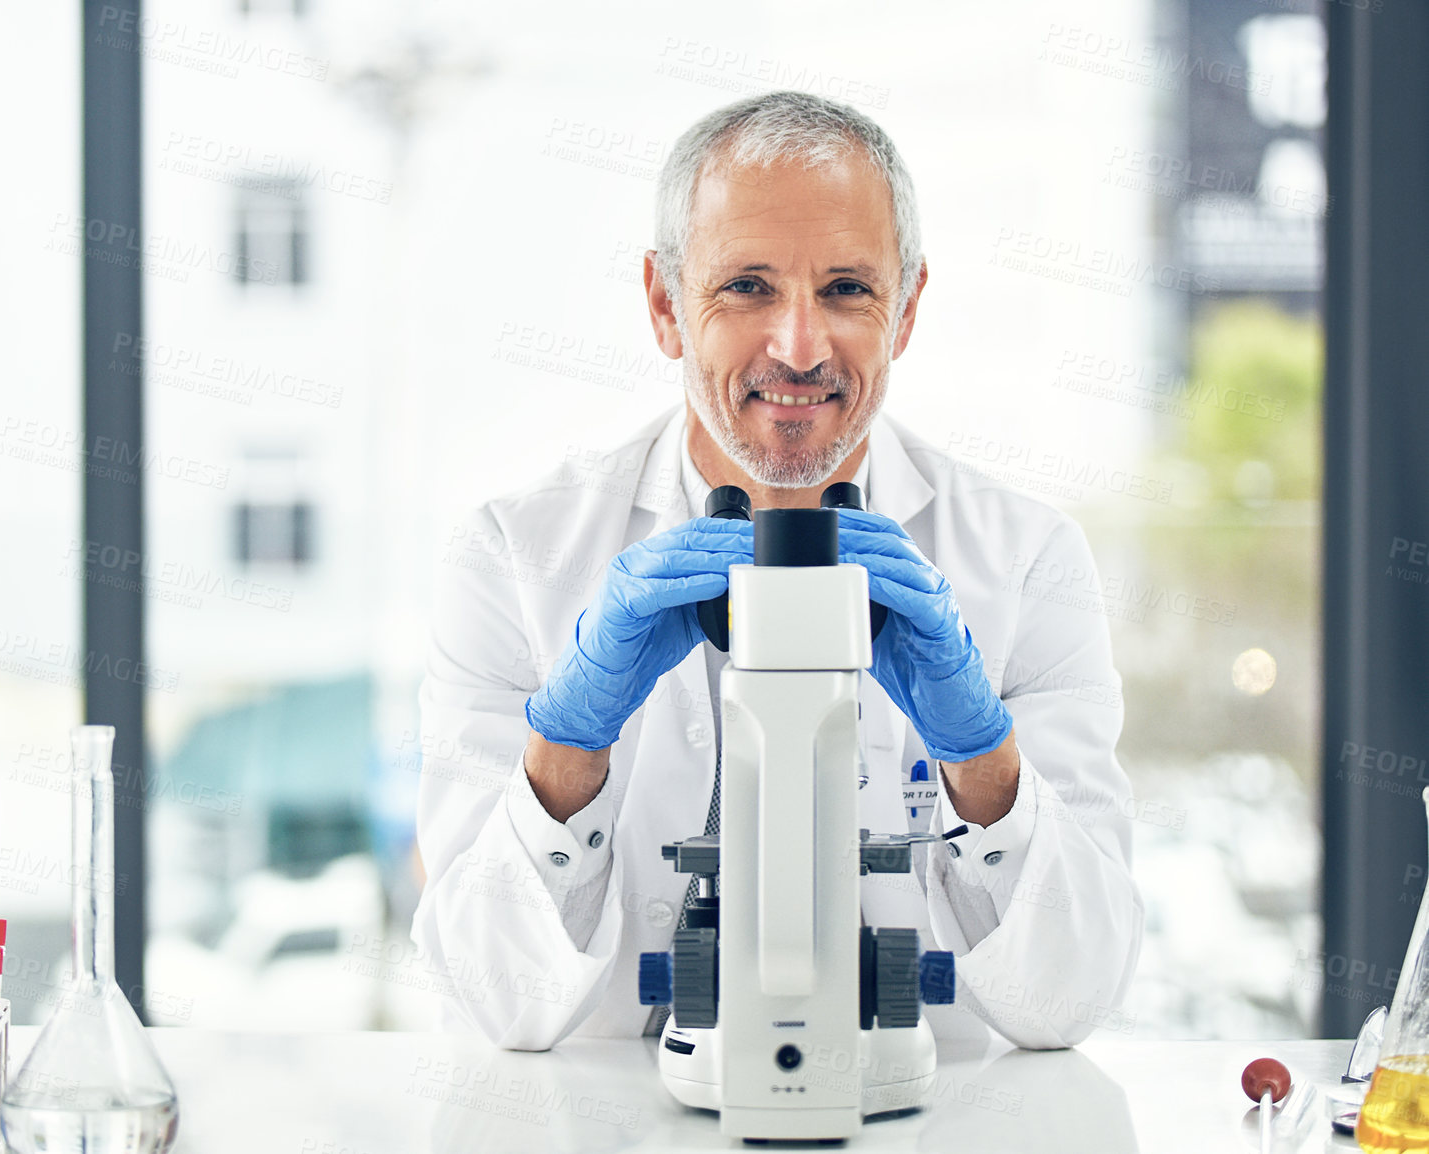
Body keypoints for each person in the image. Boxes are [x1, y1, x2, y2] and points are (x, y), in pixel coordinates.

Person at [410, 90, 1143, 1052]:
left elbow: (1074, 998)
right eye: (747, 287)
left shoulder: (1027, 559)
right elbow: (489, 998)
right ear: (666, 304)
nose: (799, 347)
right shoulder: (512, 558)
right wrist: (567, 749)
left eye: (846, 289)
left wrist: (984, 763)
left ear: (908, 308)